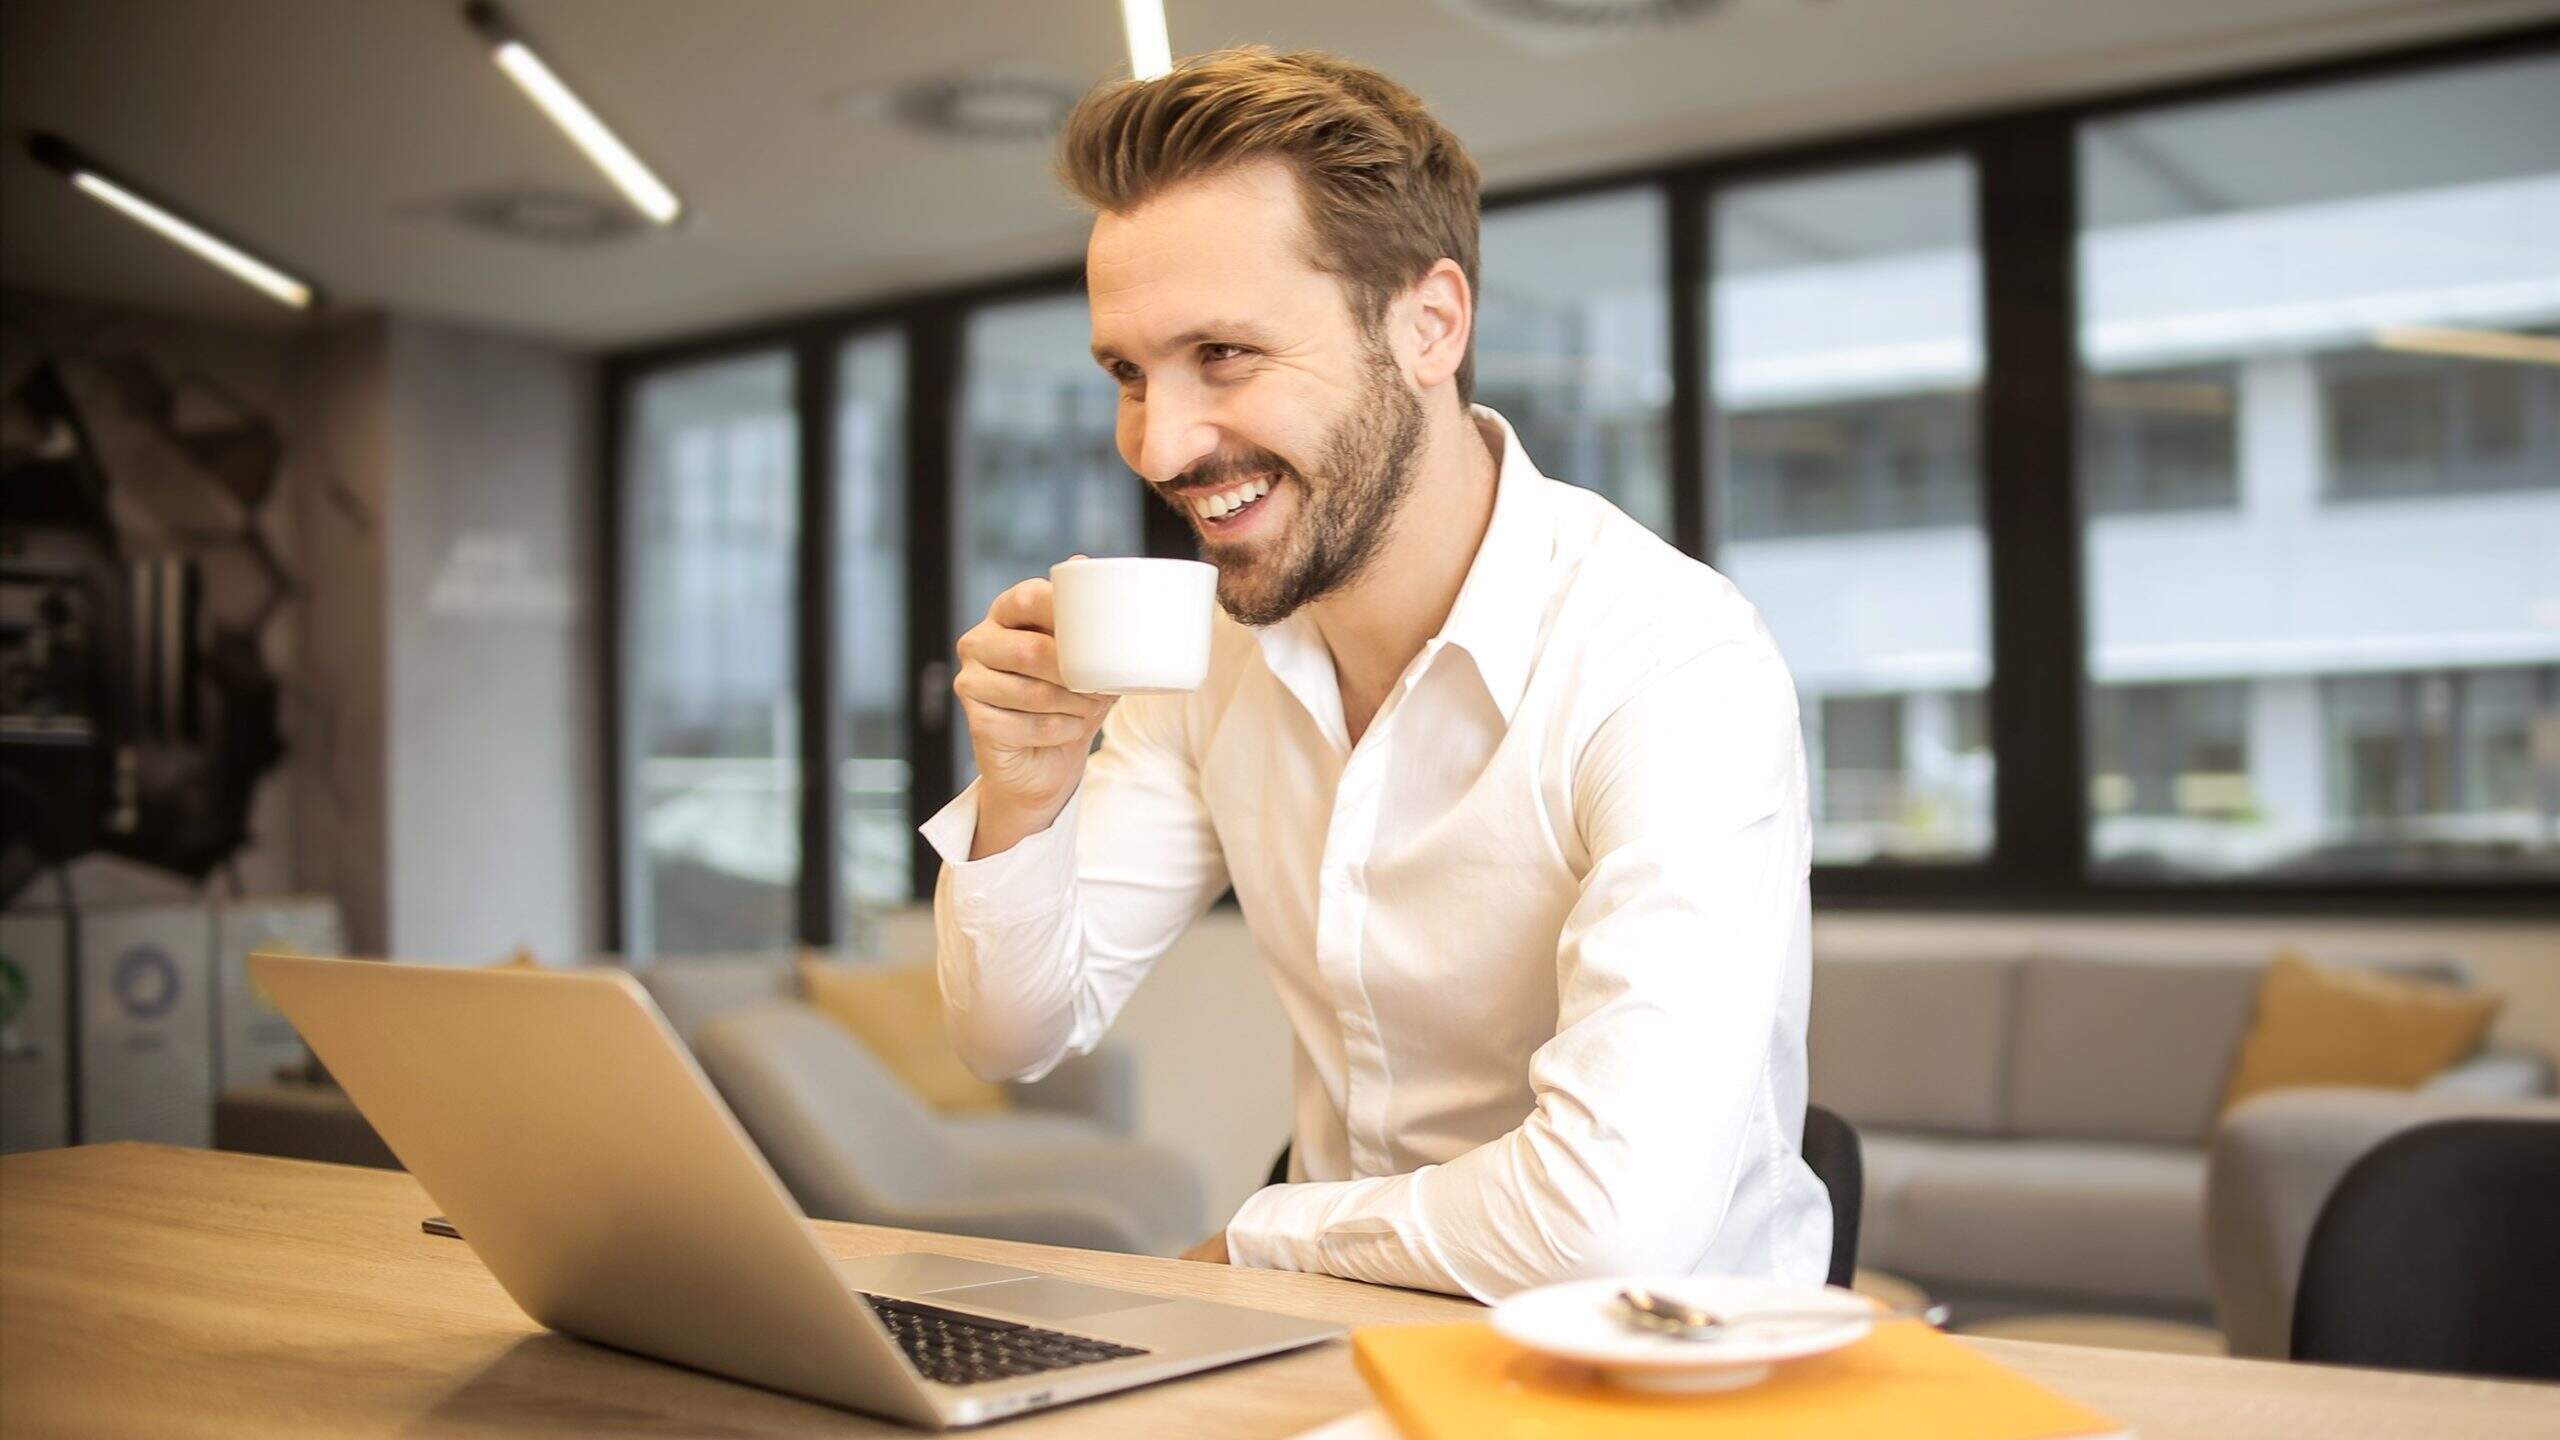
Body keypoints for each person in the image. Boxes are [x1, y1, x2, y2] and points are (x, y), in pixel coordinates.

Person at [920, 47, 1829, 1301]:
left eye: (1223, 354)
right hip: (1340, 1346)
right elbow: (1012, 1032)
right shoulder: (1216, 659)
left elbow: (1610, 1225)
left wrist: (1260, 1235)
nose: (1161, 444)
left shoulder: (1670, 660)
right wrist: (1024, 796)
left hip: (1655, 1365)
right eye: (1129, 373)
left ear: (1429, 324)